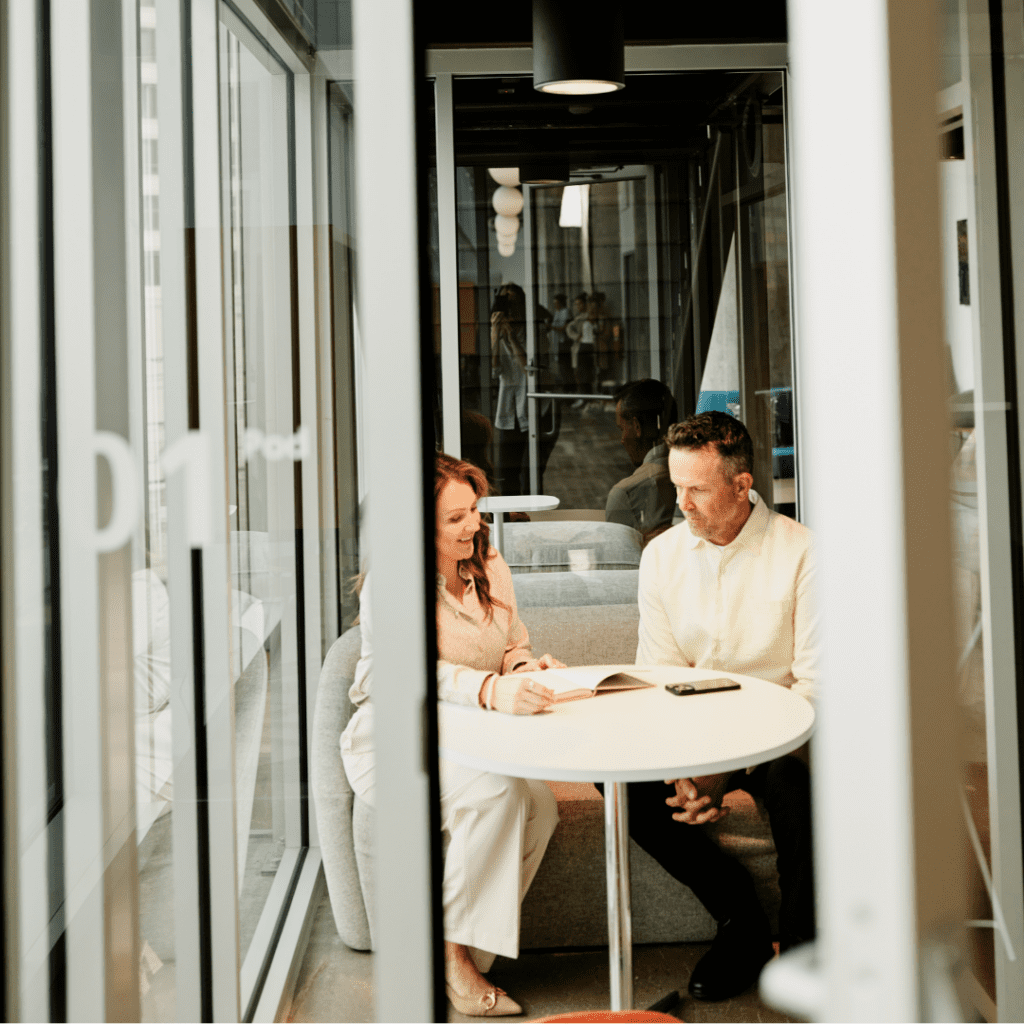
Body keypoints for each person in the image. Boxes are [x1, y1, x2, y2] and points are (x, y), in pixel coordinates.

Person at [340, 453, 564, 1016]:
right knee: (498, 793)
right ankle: (450, 959)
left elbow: (513, 641)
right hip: (395, 741)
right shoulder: (393, 583)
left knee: (543, 804)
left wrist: (521, 670)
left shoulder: (488, 562)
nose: (474, 526)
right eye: (455, 519)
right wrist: (491, 690)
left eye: (475, 511)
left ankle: (461, 954)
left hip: (469, 734)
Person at [626, 411, 818, 1001]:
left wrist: (722, 771)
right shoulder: (661, 556)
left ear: (742, 484)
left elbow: (815, 687)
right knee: (621, 783)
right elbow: (659, 677)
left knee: (796, 788)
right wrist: (690, 770)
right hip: (697, 728)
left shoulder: (803, 553)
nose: (682, 503)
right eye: (676, 487)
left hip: (787, 732)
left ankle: (806, 949)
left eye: (697, 490)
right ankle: (742, 922)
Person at [605, 379, 678, 539]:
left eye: (622, 429)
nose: (622, 440)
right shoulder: (702, 471)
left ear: (637, 427)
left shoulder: (625, 494)